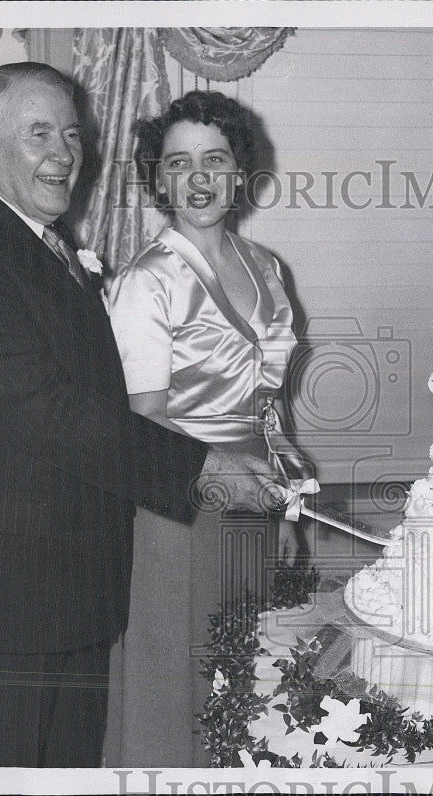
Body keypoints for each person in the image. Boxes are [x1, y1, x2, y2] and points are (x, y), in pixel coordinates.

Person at [0, 63, 279, 768]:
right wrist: (203, 468)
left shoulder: (43, 245)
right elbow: (49, 413)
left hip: (65, 587)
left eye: (71, 133)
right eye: (38, 133)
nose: (65, 152)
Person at [105, 90, 305, 766]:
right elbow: (144, 421)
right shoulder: (149, 280)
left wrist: (281, 462)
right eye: (179, 162)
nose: (197, 179)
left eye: (213, 160)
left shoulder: (267, 268)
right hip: (176, 501)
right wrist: (230, 474)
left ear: (238, 172)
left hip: (253, 496)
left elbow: (265, 399)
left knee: (239, 664)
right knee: (176, 674)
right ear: (158, 178)